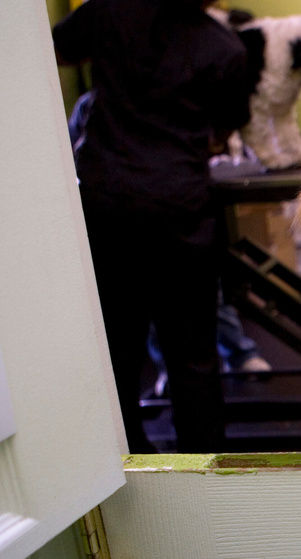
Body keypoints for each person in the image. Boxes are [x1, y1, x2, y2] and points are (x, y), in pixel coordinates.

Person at [53, 0, 251, 452]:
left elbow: (56, 51)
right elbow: (223, 128)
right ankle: (203, 473)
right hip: (179, 209)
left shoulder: (109, 12)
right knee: (193, 358)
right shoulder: (224, 48)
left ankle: (125, 463)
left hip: (108, 204)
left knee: (116, 352)